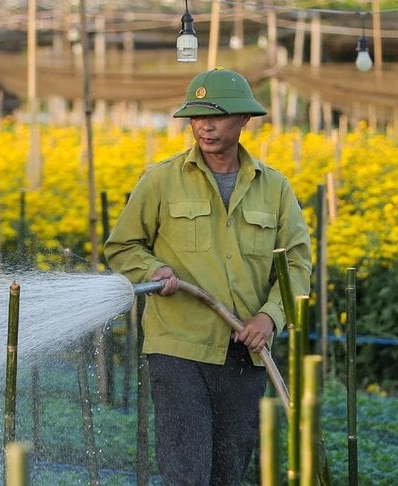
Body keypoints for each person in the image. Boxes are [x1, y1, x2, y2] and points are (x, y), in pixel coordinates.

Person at [103, 68, 312, 485]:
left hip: (246, 352)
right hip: (179, 349)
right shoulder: (160, 180)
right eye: (196, 117)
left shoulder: (275, 188)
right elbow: (121, 246)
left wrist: (268, 318)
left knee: (229, 471)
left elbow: (297, 264)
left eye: (216, 116)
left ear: (244, 120)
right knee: (187, 471)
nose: (204, 126)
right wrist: (154, 270)